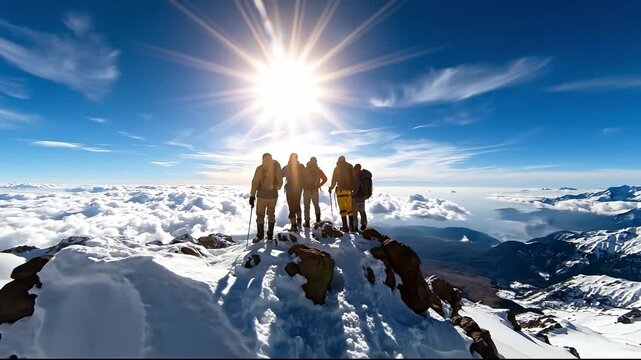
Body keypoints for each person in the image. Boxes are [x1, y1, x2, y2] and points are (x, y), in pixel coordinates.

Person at [249, 153, 282, 242]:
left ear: (263, 159)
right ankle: (270, 236)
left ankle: (260, 236)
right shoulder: (276, 167)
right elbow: (280, 182)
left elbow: (255, 183)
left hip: (262, 196)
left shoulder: (260, 168)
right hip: (273, 196)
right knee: (271, 214)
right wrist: (274, 189)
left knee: (260, 215)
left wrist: (252, 195)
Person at [328, 155, 354, 232]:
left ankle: (345, 227)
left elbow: (333, 180)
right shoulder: (350, 167)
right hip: (349, 191)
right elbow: (353, 178)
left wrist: (331, 188)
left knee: (342, 209)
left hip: (340, 192)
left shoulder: (337, 169)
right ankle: (351, 227)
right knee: (350, 209)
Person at [281, 153, 305, 231]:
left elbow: (279, 175)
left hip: (290, 189)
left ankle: (293, 226)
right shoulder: (301, 167)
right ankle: (299, 223)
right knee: (297, 204)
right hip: (299, 188)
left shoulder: (287, 167)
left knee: (291, 206)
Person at [302, 156, 328, 227]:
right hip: (315, 190)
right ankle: (318, 220)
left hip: (306, 190)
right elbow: (325, 179)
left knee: (306, 206)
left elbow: (301, 179)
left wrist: (303, 186)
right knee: (316, 205)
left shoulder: (305, 170)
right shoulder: (318, 170)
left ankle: (307, 222)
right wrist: (319, 185)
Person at [352, 164, 369, 231]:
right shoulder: (364, 176)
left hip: (356, 198)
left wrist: (352, 194)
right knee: (362, 212)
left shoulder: (357, 176)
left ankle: (355, 227)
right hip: (363, 198)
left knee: (355, 213)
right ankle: (364, 225)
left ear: (355, 169)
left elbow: (356, 188)